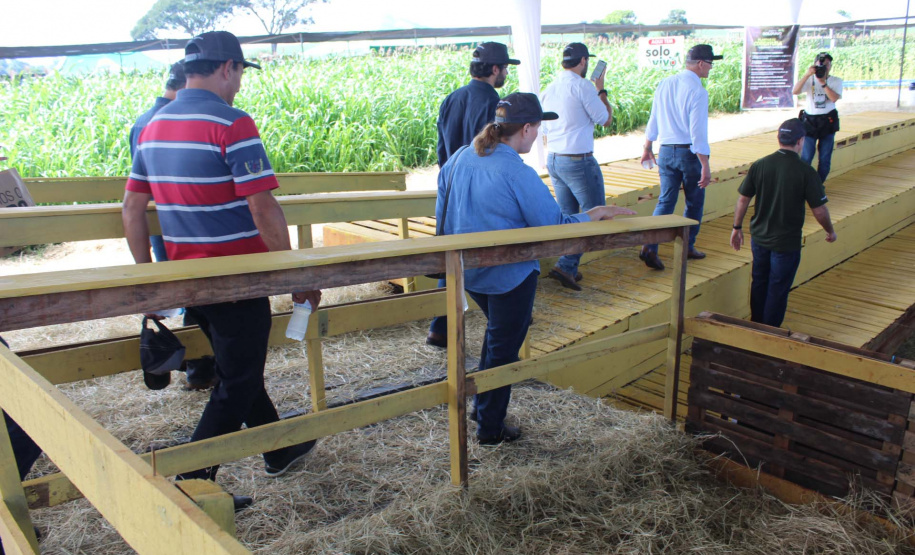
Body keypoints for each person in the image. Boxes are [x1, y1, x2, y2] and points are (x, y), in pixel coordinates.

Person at [122, 31, 321, 485]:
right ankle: (192, 481)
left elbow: (132, 209)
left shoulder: (152, 126)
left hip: (188, 278)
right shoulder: (232, 123)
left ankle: (280, 449)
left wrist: (147, 280)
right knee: (239, 381)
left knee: (238, 367)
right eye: (239, 75)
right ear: (228, 67)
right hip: (238, 279)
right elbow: (262, 205)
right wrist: (292, 273)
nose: (238, 87)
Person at [438, 92, 634, 444]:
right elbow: (553, 225)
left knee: (500, 336)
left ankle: (482, 408)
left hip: (467, 270)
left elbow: (442, 213)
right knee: (503, 346)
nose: (538, 135)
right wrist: (594, 214)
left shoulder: (461, 157)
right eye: (538, 129)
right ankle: (489, 428)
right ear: (526, 129)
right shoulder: (516, 171)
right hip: (509, 275)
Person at [129, 63, 218, 391]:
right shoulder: (171, 121)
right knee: (198, 298)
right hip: (182, 226)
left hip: (162, 224)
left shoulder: (144, 120)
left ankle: (196, 366)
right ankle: (200, 365)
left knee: (186, 298)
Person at [427, 41, 520, 349]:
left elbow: (441, 149)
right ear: (495, 69)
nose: (506, 72)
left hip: (451, 184)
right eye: (505, 67)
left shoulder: (451, 98)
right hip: (482, 189)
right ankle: (503, 315)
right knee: (491, 251)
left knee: (452, 253)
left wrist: (450, 177)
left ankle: (440, 326)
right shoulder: (498, 105)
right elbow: (498, 151)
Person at [729, 118, 837, 328]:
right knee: (777, 288)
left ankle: (756, 326)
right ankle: (769, 333)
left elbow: (743, 199)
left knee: (759, 282)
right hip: (786, 243)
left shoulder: (760, 164)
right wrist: (830, 231)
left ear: (778, 139)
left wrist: (737, 227)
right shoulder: (806, 171)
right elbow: (819, 210)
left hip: (759, 239)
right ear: (801, 141)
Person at [639, 44, 720, 271]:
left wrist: (647, 146)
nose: (711, 69)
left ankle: (650, 245)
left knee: (665, 200)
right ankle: (687, 246)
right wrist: (705, 164)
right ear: (701, 64)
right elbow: (698, 132)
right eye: (710, 64)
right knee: (694, 201)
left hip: (665, 150)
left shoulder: (665, 83)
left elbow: (653, 118)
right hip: (688, 153)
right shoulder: (698, 91)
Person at [541, 42, 613, 291]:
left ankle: (568, 266)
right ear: (583, 62)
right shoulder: (584, 86)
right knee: (597, 215)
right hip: (578, 160)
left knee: (569, 218)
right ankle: (566, 264)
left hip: (555, 159)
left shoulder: (549, 88)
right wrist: (601, 90)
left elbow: (545, 128)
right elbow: (605, 119)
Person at [792, 52, 842, 184]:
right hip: (810, 121)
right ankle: (803, 185)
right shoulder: (809, 80)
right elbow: (795, 91)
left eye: (826, 65)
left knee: (825, 158)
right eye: (820, 65)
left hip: (828, 121)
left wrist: (823, 83)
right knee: (806, 157)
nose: (823, 68)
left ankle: (818, 186)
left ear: (830, 66)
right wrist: (807, 74)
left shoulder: (836, 81)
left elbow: (834, 98)